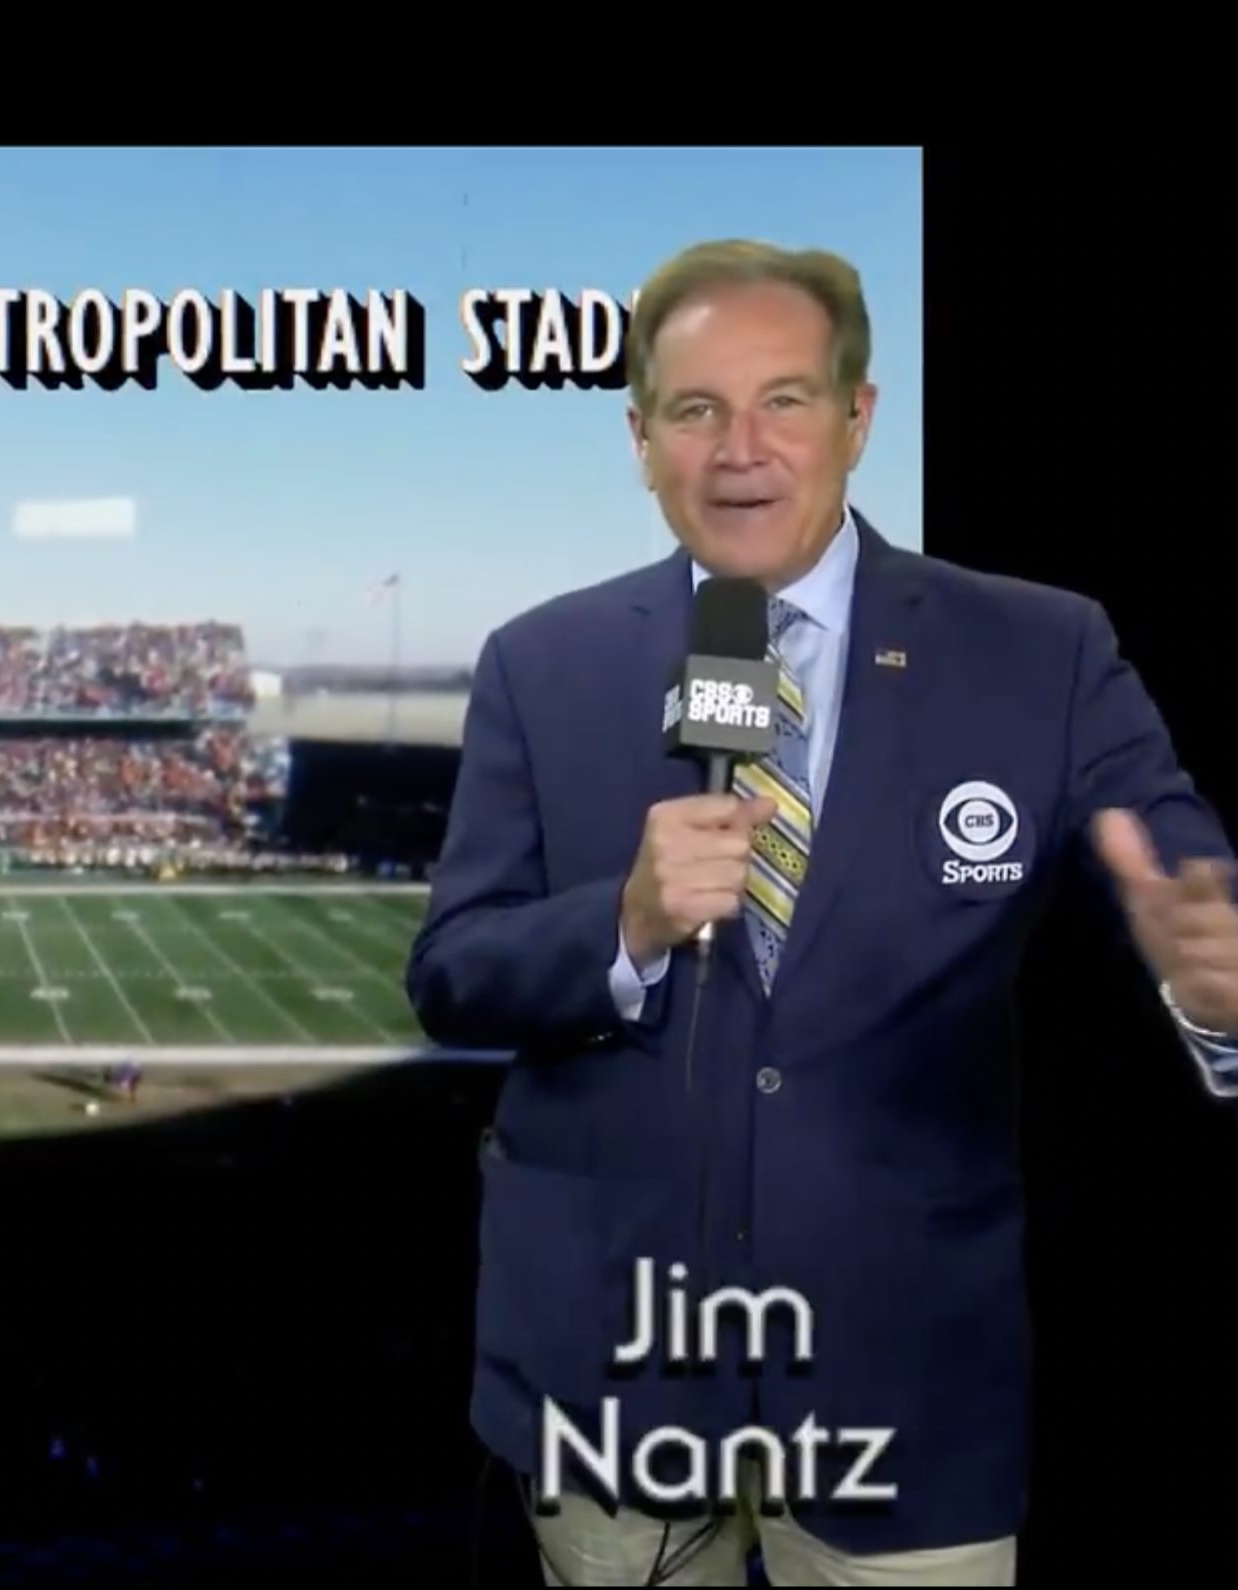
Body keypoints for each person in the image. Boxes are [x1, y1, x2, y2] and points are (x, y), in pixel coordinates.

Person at [405, 239, 1236, 1587]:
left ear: (859, 416)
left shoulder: (1040, 648)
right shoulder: (540, 662)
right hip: (618, 1388)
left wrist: (1218, 991)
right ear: (639, 438)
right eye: (696, 409)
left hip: (904, 1387)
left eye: (784, 400)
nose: (741, 449)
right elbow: (452, 972)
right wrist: (619, 924)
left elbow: (1194, 882)